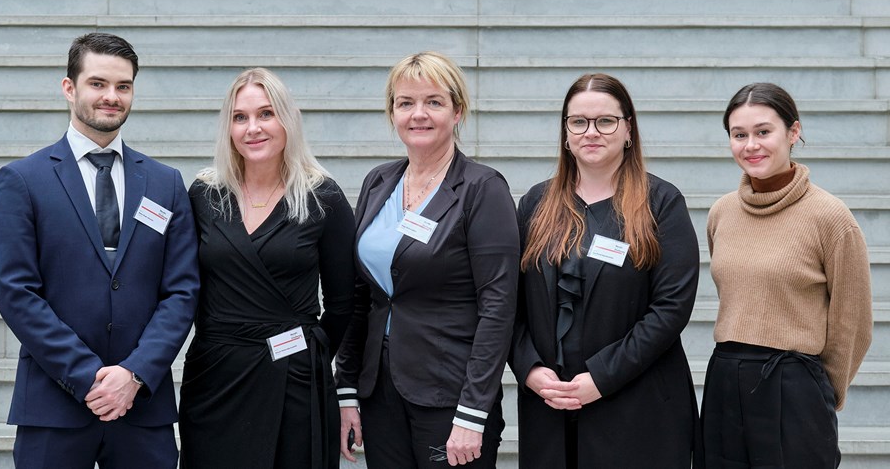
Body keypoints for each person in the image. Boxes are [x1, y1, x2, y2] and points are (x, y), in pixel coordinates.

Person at [0, 33, 200, 468]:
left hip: (142, 407)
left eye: (123, 86)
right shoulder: (23, 181)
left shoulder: (166, 183)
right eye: (98, 83)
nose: (112, 97)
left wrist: (134, 374)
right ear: (70, 88)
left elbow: (182, 292)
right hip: (53, 405)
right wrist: (89, 377)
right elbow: (17, 293)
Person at [334, 51, 520, 468]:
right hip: (380, 391)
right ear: (393, 113)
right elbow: (361, 295)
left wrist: (473, 412)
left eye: (433, 102)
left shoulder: (481, 189)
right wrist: (346, 389)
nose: (418, 114)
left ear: (457, 112)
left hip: (450, 395)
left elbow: (499, 306)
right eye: (406, 103)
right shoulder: (378, 182)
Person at [510, 73, 701, 468]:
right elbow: (507, 303)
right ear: (565, 132)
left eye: (605, 121)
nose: (590, 132)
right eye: (578, 121)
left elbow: (670, 310)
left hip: (637, 406)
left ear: (628, 128)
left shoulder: (661, 203)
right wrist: (528, 368)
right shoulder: (535, 204)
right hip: (551, 407)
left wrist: (601, 378)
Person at [177, 68, 356, 469]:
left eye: (266, 114)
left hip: (292, 380)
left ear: (287, 120)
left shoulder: (322, 196)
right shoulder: (205, 195)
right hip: (214, 377)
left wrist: (306, 348)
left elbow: (346, 302)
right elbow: (181, 288)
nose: (252, 128)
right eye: (240, 117)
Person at [702, 82, 872, 468]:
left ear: (793, 132)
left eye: (764, 132)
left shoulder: (830, 217)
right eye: (739, 135)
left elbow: (853, 321)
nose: (751, 145)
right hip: (725, 379)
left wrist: (820, 392)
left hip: (794, 383)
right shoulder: (721, 213)